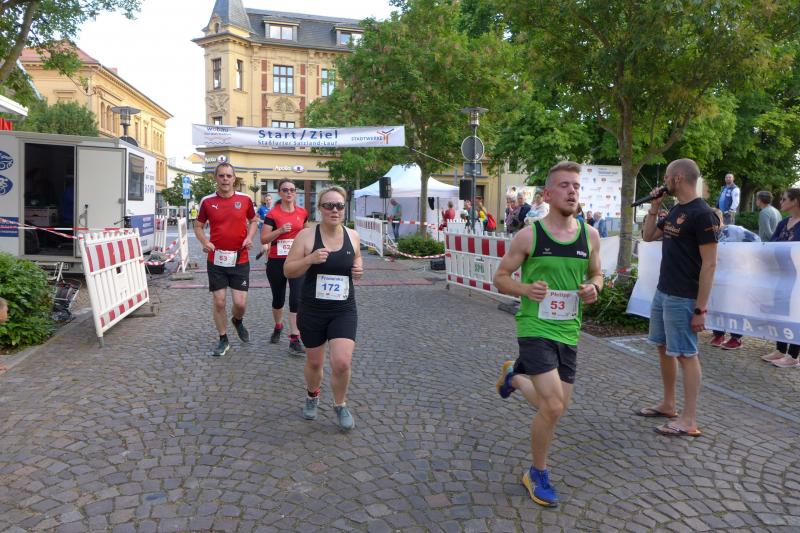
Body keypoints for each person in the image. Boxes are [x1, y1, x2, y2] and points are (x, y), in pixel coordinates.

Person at [493, 161, 603, 508]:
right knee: (553, 406)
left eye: (576, 186)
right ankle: (537, 473)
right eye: (565, 185)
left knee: (555, 407)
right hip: (534, 327)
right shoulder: (530, 235)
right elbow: (500, 278)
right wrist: (525, 289)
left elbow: (597, 274)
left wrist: (594, 288)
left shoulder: (590, 235)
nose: (572, 192)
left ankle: (513, 377)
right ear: (548, 194)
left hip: (569, 330)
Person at [639, 158, 718, 438]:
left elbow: (710, 264)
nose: (664, 181)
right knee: (663, 348)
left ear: (678, 178)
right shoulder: (675, 210)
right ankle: (668, 404)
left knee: (686, 354)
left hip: (684, 296)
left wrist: (700, 309)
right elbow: (648, 236)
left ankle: (689, 419)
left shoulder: (703, 214)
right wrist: (654, 208)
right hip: (664, 291)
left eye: (667, 177)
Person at [284, 186, 363, 430]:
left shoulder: (353, 236)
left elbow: (356, 256)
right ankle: (312, 395)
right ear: (319, 208)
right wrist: (310, 259)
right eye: (328, 205)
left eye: (339, 205)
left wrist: (358, 268)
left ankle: (340, 404)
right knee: (315, 362)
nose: (334, 210)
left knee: (342, 362)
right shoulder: (306, 236)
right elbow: (288, 270)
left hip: (343, 310)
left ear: (344, 208)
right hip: (313, 310)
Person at [194, 163, 258, 357]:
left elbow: (253, 221)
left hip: (240, 258)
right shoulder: (207, 201)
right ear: (216, 178)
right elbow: (198, 225)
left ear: (234, 178)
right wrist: (205, 241)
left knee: (240, 304)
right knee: (219, 302)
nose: (225, 179)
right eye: (221, 175)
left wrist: (249, 237)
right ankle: (223, 339)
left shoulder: (245, 199)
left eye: (229, 176)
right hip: (217, 259)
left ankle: (237, 320)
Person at [262, 179, 309, 355]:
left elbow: (306, 233)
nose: (289, 193)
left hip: (297, 260)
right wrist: (280, 231)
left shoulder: (302, 212)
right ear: (279, 193)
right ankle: (278, 325)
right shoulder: (272, 214)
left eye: (292, 190)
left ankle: (294, 338)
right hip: (277, 261)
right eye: (285, 190)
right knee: (278, 299)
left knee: (296, 298)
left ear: (295, 192)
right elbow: (264, 239)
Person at [708, 207, 759, 350]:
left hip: (736, 277)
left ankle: (736, 338)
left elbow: (757, 240)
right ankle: (718, 334)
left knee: (735, 306)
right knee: (716, 304)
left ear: (720, 219)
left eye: (712, 220)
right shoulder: (707, 234)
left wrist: (744, 259)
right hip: (717, 277)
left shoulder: (734, 230)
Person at [762, 188, 800, 368]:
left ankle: (793, 355)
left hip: (797, 277)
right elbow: (772, 244)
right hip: (781, 274)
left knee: (795, 312)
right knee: (780, 310)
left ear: (795, 201)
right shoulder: (784, 222)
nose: (781, 202)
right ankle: (780, 348)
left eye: (784, 199)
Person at [255, 195, 273, 260]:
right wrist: (262, 221)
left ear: (271, 200)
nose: (268, 201)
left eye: (269, 200)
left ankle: (267, 261)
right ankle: (261, 252)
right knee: (266, 247)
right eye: (267, 200)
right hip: (263, 229)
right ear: (265, 201)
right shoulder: (261, 209)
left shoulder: (274, 209)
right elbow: (255, 217)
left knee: (269, 248)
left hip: (272, 230)